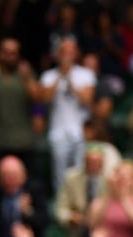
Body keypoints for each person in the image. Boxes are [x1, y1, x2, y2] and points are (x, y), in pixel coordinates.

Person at [39, 38, 96, 192]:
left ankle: (79, 206)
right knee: (60, 175)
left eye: (71, 52)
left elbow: (87, 100)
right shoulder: (48, 76)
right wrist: (60, 76)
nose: (67, 56)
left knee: (80, 173)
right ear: (58, 55)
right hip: (57, 132)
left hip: (79, 132)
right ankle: (61, 209)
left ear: (76, 54)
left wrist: (69, 78)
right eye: (64, 52)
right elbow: (44, 98)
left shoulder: (86, 74)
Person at [0, 37, 39, 165]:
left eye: (13, 53)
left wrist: (26, 79)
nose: (10, 56)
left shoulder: (26, 74)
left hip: (25, 141)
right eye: (6, 52)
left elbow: (38, 99)